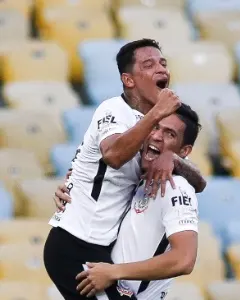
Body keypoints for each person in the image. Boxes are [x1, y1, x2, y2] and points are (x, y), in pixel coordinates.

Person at [44, 38, 207, 300]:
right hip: (76, 243)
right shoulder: (114, 110)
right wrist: (157, 117)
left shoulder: (150, 125)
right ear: (129, 80)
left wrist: (173, 159)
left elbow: (198, 182)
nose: (161, 69)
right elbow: (113, 155)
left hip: (98, 250)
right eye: (149, 64)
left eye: (163, 63)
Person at [63, 104, 200, 299]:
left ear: (184, 150)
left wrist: (114, 271)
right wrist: (70, 190)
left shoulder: (175, 187)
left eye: (170, 134)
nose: (156, 136)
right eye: (154, 127)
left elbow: (184, 260)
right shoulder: (134, 178)